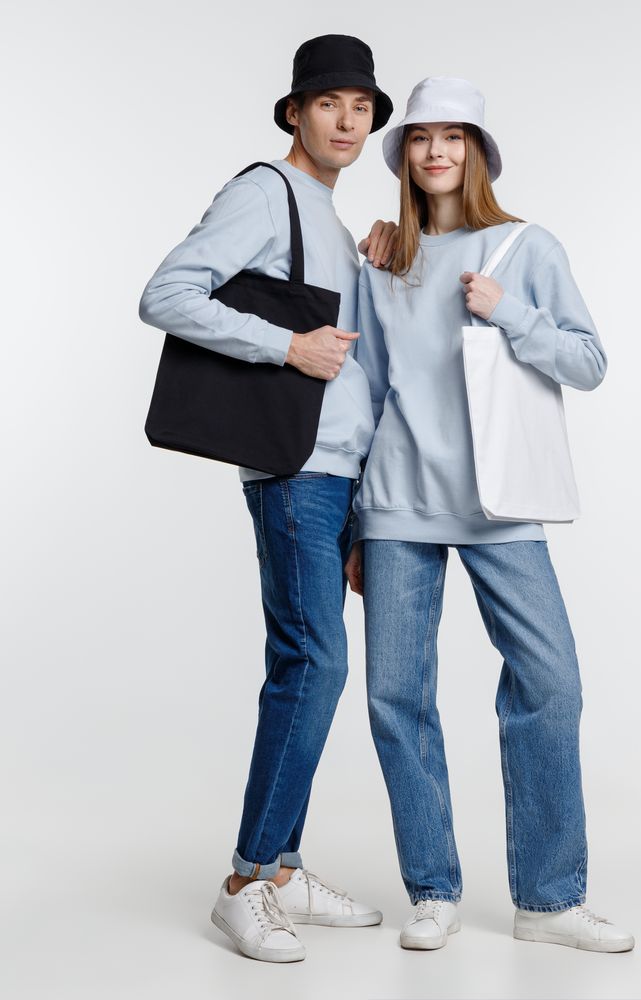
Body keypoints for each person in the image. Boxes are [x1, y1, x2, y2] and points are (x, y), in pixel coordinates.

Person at [345, 76, 635, 954]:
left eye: (454, 136)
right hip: (397, 503)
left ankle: (548, 901)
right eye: (420, 137)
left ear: (477, 151)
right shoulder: (383, 259)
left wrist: (509, 313)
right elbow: (364, 391)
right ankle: (432, 890)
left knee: (551, 685)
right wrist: (354, 521)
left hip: (500, 502)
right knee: (397, 697)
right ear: (404, 155)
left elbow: (587, 362)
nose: (436, 151)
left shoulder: (524, 247)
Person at [138, 35, 397, 964]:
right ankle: (247, 882)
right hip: (294, 473)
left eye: (362, 108)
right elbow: (167, 293)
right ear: (295, 112)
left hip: (337, 478)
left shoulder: (329, 216)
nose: (346, 122)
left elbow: (356, 371)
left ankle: (281, 870)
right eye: (329, 103)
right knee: (313, 664)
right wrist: (286, 346)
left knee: (309, 664)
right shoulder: (265, 191)